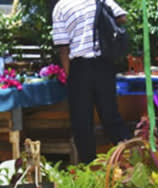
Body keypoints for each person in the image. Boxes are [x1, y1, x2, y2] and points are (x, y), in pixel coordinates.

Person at [52, 0, 132, 164]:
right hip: (104, 64)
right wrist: (101, 24)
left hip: (79, 67)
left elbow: (63, 48)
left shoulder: (61, 7)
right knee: (111, 117)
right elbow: (122, 17)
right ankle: (131, 159)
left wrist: (70, 76)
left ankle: (89, 168)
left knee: (82, 123)